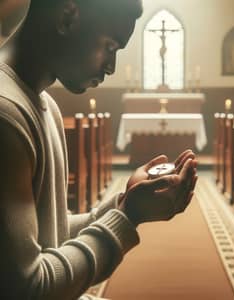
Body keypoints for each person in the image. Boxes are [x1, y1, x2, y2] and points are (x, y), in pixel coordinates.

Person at [0, 0, 198, 299]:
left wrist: (124, 202)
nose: (111, 67)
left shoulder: (46, 106)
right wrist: (128, 218)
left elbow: (50, 235)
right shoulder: (6, 115)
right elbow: (28, 289)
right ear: (67, 18)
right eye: (111, 47)